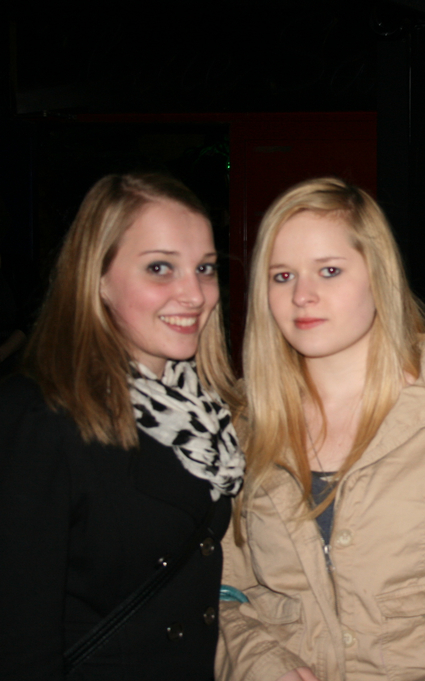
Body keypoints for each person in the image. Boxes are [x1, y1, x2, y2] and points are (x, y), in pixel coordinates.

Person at [216, 177, 425, 681]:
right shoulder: (242, 425)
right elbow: (226, 592)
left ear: (378, 275)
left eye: (329, 270)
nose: (302, 295)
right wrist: (263, 664)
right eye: (282, 276)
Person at [0, 173, 244, 679]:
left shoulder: (206, 410)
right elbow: (20, 642)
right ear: (98, 279)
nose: (194, 294)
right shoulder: (40, 416)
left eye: (204, 268)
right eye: (160, 268)